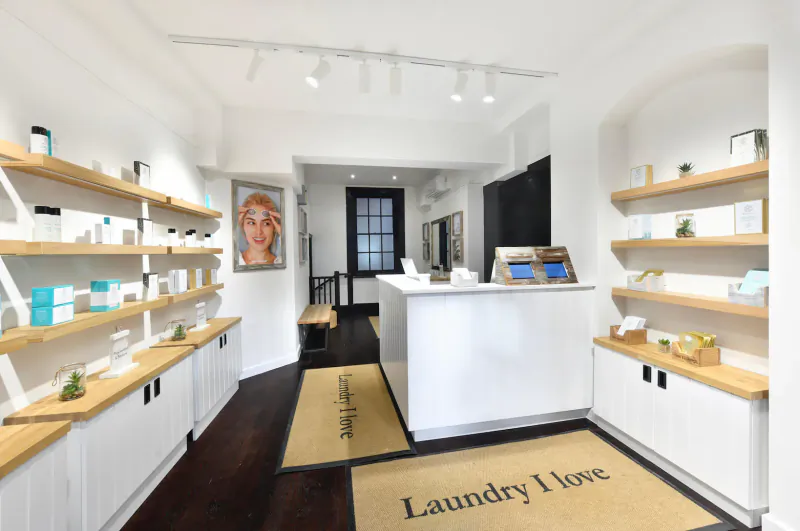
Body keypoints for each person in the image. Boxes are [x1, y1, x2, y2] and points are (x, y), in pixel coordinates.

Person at [237, 191, 282, 265]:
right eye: (252, 223)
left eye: (266, 223)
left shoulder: (283, 263)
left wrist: (286, 232)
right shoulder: (232, 261)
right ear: (242, 225)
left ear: (274, 228)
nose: (258, 232)